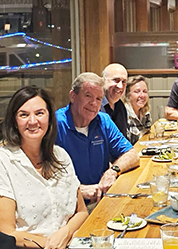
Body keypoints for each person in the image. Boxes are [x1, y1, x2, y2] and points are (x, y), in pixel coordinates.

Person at [0, 86, 89, 249]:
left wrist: (64, 234)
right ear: (14, 121)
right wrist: (52, 244)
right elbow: (7, 232)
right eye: (23, 115)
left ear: (50, 118)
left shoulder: (61, 156)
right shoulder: (1, 162)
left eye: (39, 113)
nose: (33, 121)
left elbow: (81, 212)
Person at [55, 73, 139, 204]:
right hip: (68, 204)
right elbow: (41, 178)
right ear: (73, 96)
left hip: (101, 200)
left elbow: (132, 155)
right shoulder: (55, 124)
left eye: (99, 99)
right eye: (88, 96)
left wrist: (113, 171)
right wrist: (79, 190)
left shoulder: (103, 120)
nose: (93, 103)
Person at [101, 63, 130, 141]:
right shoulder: (96, 107)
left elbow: (122, 139)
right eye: (115, 80)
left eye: (124, 81)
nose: (120, 86)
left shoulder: (120, 106)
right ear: (103, 81)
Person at [124, 75, 152, 145]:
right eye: (137, 91)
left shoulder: (145, 112)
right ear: (128, 95)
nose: (142, 95)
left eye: (145, 91)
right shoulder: (124, 114)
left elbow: (147, 136)